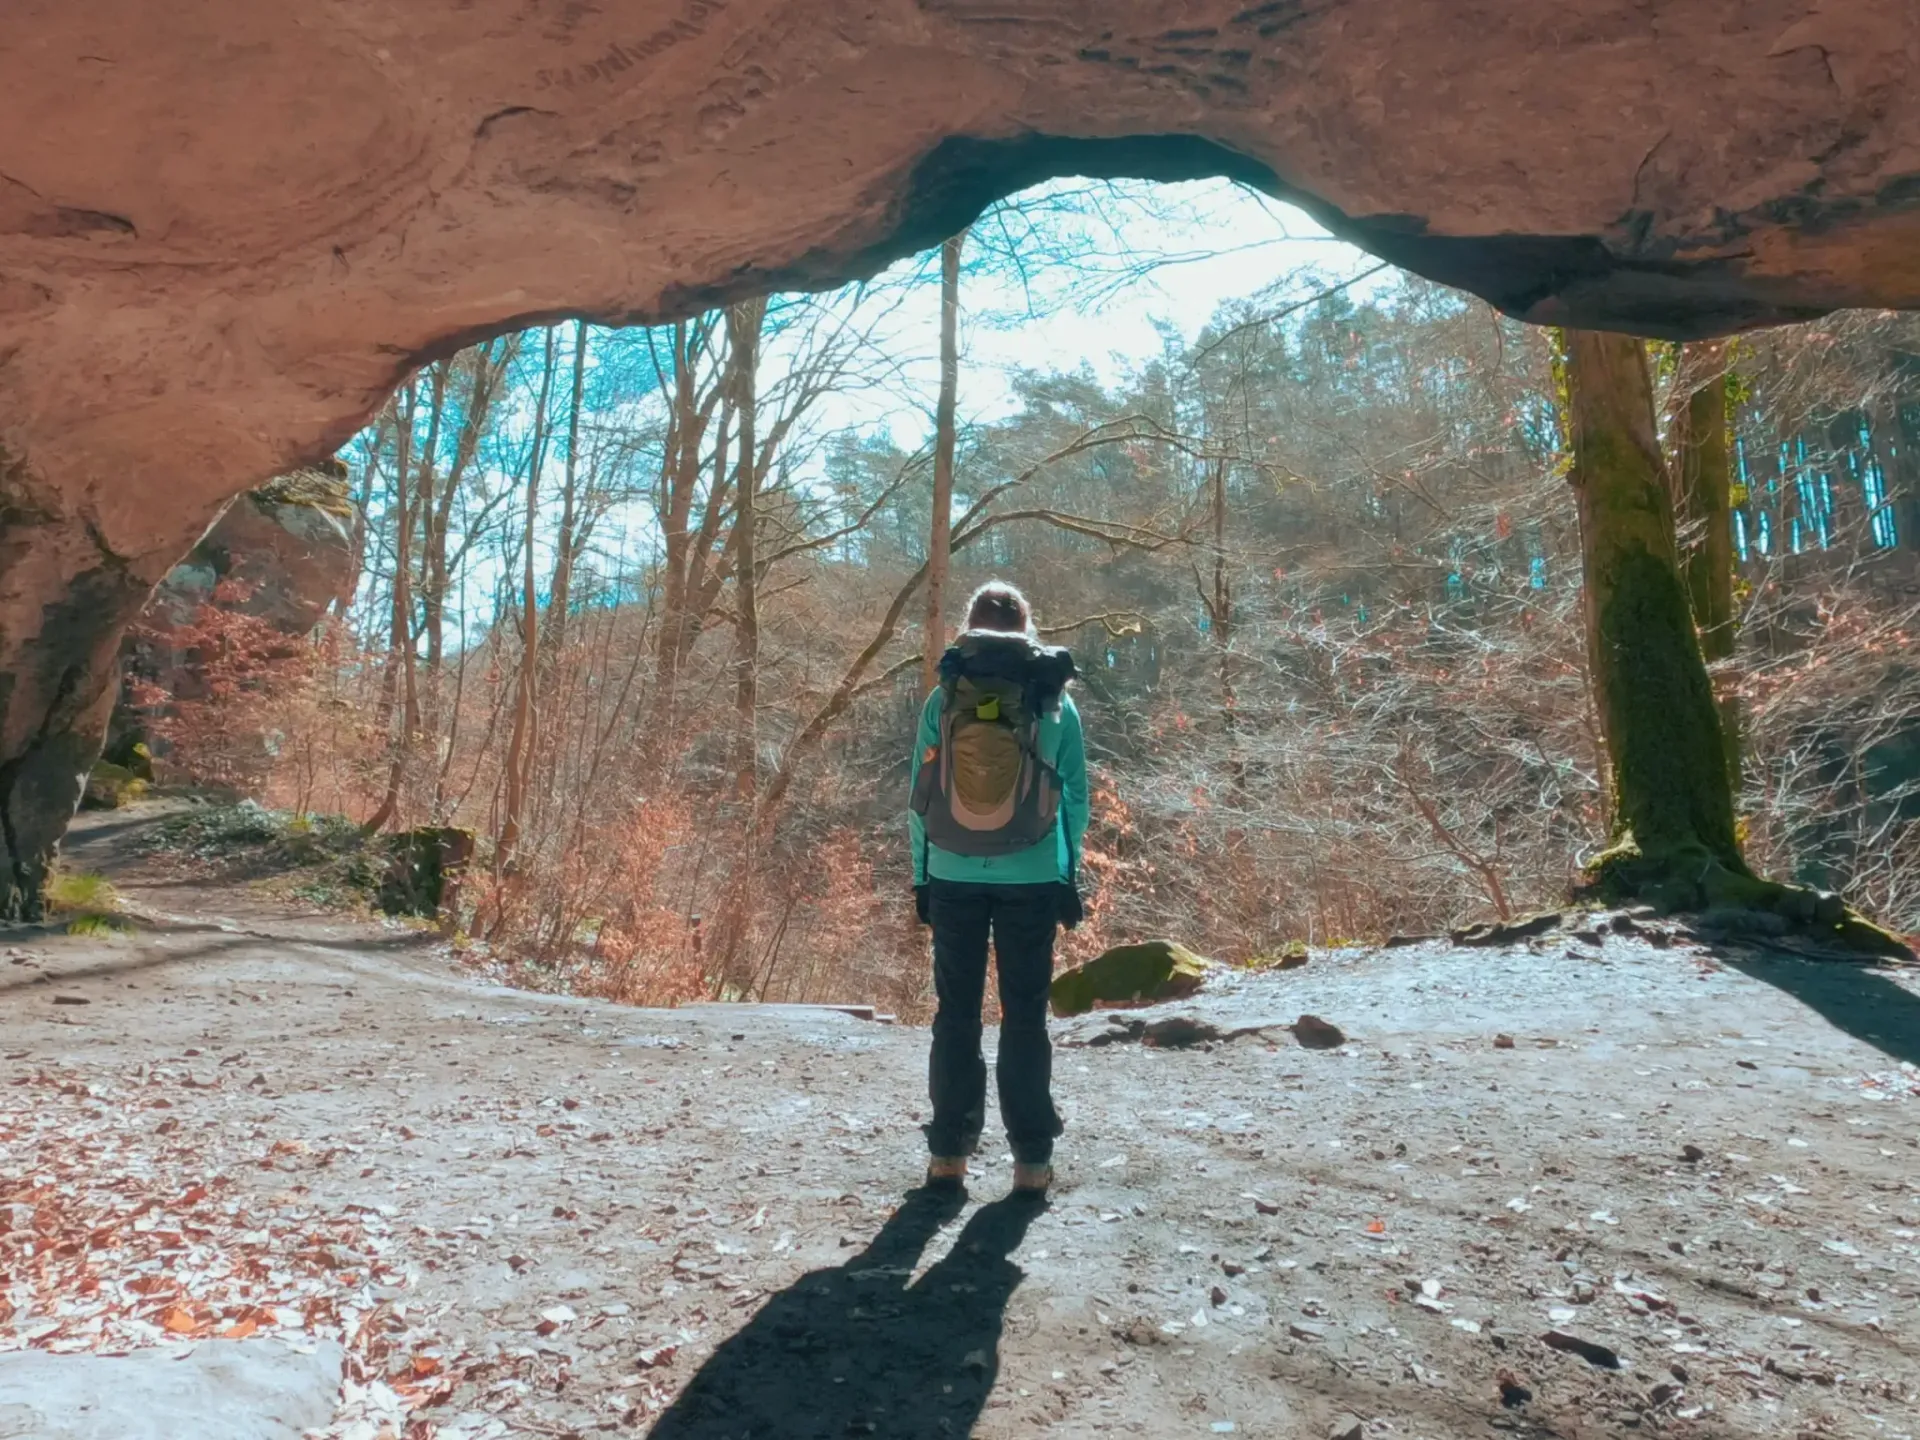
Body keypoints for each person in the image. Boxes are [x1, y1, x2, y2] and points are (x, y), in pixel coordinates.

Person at [908, 580, 1089, 1196]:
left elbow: (919, 795)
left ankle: (948, 1157)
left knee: (956, 1015)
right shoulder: (1054, 699)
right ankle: (1031, 1162)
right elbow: (1075, 798)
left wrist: (922, 875)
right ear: (1027, 630)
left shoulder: (945, 696)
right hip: (1032, 876)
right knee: (1025, 1016)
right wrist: (1066, 872)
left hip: (953, 874)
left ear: (970, 625)